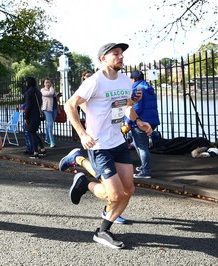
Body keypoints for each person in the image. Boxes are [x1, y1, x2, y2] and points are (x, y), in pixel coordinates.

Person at [63, 43, 152, 249]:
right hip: (99, 144)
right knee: (115, 194)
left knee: (128, 191)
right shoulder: (95, 81)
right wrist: (83, 134)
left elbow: (124, 105)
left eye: (122, 54)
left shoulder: (124, 80)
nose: (121, 57)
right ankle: (86, 185)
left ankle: (103, 230)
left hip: (118, 142)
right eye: (116, 54)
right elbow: (69, 105)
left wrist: (138, 121)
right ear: (103, 58)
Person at [129, 70, 160, 179]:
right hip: (152, 121)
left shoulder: (137, 89)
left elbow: (136, 108)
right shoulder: (149, 88)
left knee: (141, 147)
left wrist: (129, 121)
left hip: (141, 122)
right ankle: (143, 167)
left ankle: (145, 171)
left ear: (134, 79)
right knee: (143, 146)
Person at [23, 77, 47, 159]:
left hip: (31, 115)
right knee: (34, 132)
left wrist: (26, 116)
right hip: (37, 114)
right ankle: (42, 149)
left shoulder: (28, 92)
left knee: (32, 133)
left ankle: (35, 151)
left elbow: (28, 106)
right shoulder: (38, 91)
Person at [41, 78, 57, 148]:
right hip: (47, 109)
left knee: (50, 124)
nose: (48, 84)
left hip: (54, 108)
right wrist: (52, 88)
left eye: (49, 82)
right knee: (50, 124)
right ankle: (52, 141)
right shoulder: (43, 90)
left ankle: (47, 138)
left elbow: (54, 96)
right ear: (44, 83)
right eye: (46, 82)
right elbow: (50, 93)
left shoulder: (52, 89)